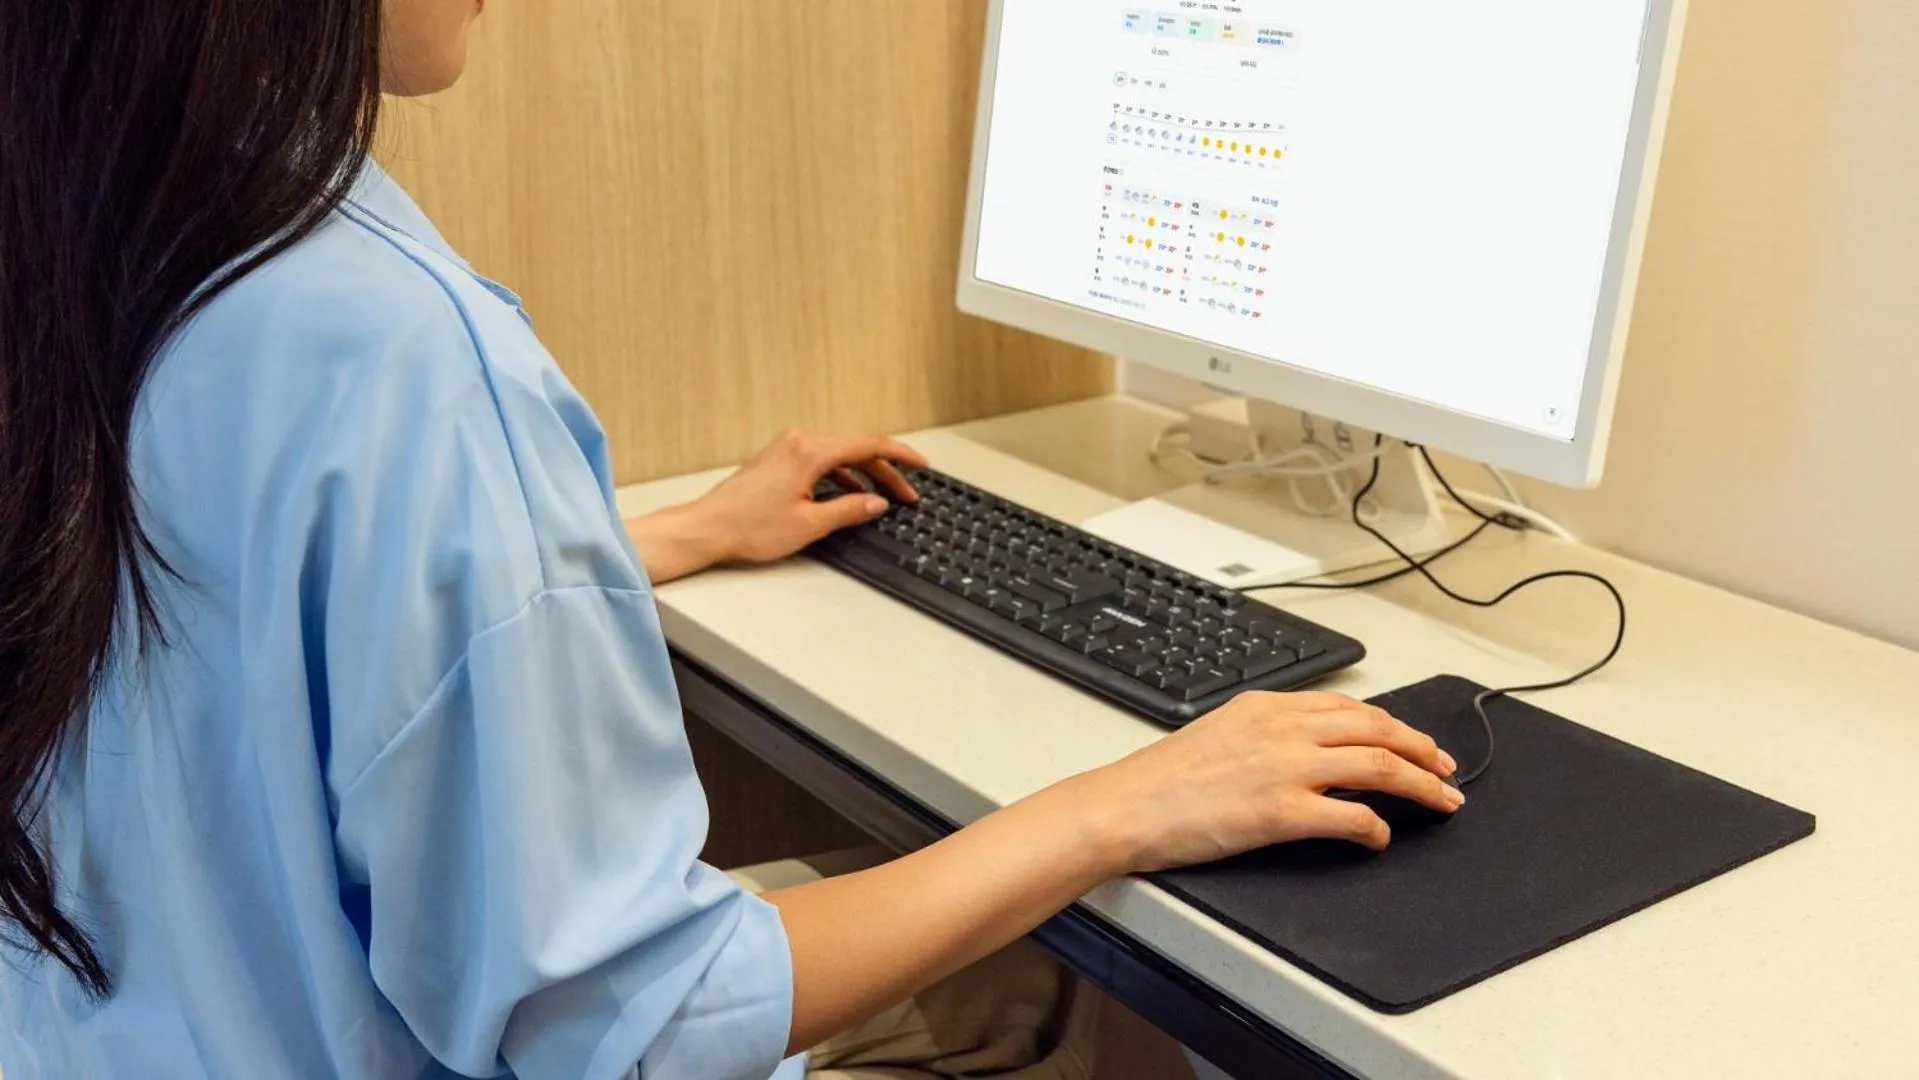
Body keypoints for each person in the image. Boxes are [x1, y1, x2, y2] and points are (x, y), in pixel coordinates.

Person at [0, 2, 1463, 1077]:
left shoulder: (92, 235)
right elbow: (634, 1028)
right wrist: (1120, 805)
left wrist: (653, 535)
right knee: (1078, 1001)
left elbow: (222, 620)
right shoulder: (396, 351)